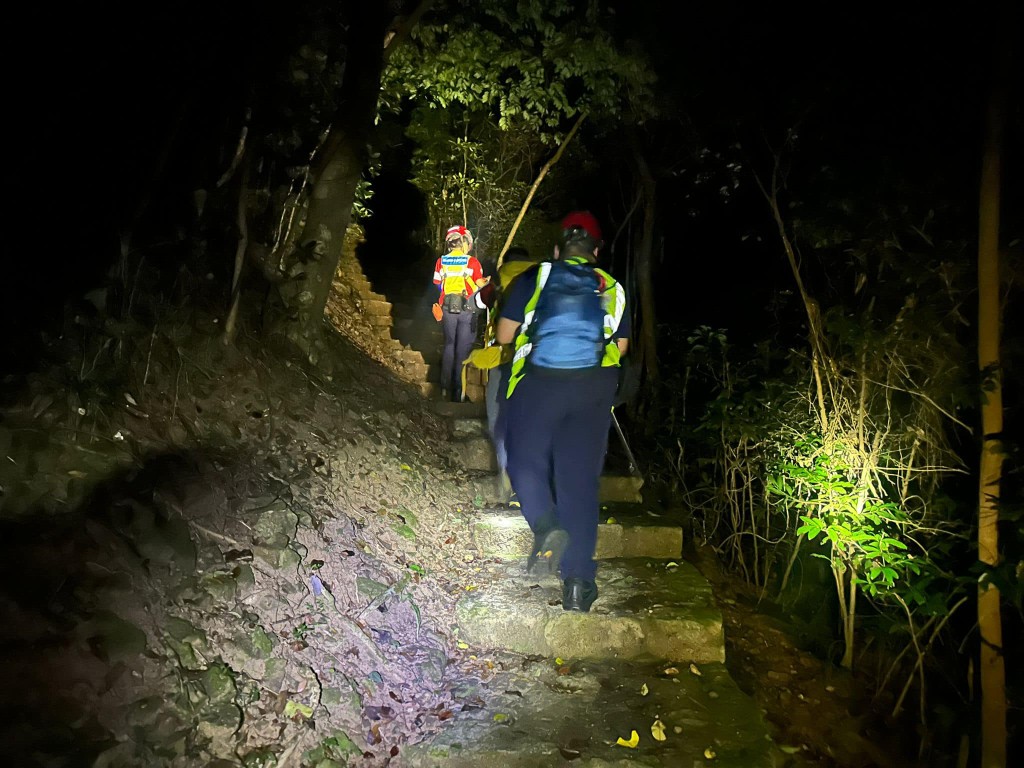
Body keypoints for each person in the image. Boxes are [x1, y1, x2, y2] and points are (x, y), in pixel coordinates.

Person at [495, 211, 629, 613]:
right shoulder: (612, 286)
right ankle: (578, 585)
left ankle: (546, 525)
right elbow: (620, 349)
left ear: (558, 248)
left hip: (540, 383)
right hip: (592, 389)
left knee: (524, 460)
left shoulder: (535, 277)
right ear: (596, 251)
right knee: (579, 482)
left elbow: (504, 334)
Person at [470, 246, 536, 505]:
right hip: (535, 358)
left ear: (507, 261)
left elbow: (478, 302)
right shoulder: (541, 277)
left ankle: (507, 477)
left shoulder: (501, 277)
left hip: (502, 356)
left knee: (499, 417)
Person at [432, 225, 485, 401]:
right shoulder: (472, 262)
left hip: (447, 308)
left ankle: (444, 388)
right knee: (462, 350)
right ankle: (458, 392)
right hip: (467, 309)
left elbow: (437, 282)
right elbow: (479, 284)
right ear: (464, 243)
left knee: (449, 345)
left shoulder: (441, 261)